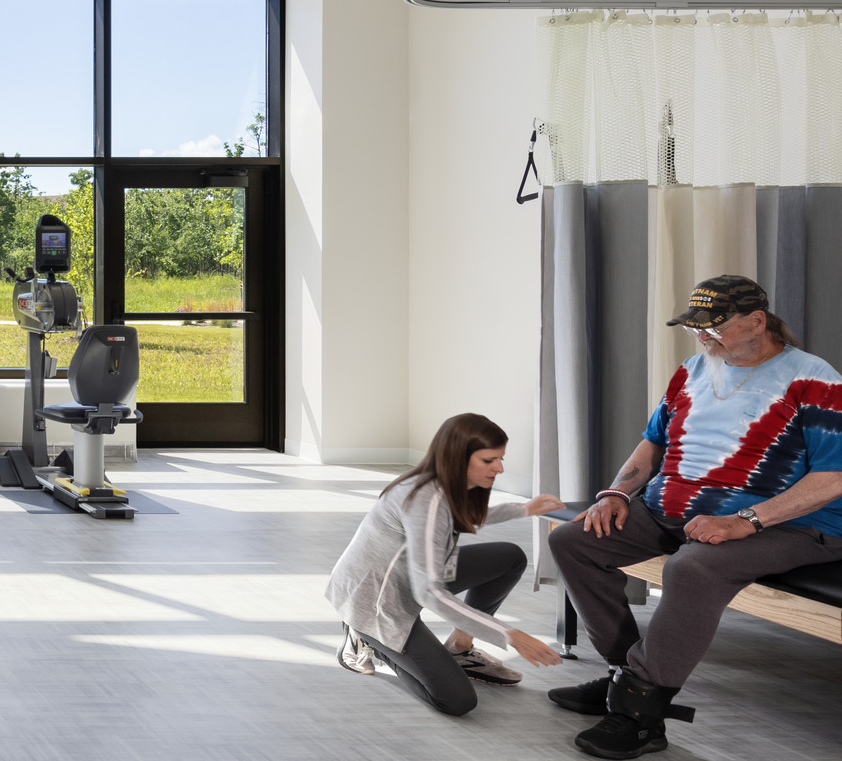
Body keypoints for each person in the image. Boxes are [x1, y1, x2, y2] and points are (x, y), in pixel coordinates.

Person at [546, 274, 842, 759]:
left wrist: (745, 520)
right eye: (695, 327)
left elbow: (833, 478)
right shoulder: (692, 370)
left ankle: (640, 718)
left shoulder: (815, 379)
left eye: (714, 326)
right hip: (673, 509)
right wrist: (616, 493)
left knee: (693, 568)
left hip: (789, 523)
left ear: (757, 321)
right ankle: (627, 678)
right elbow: (653, 442)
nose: (703, 336)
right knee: (574, 541)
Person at [326, 411, 564, 717]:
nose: (500, 468)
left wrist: (525, 509)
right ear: (458, 458)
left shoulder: (445, 483)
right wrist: (510, 635)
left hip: (411, 576)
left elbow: (461, 516)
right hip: (376, 602)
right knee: (457, 700)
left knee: (510, 558)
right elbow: (430, 592)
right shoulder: (425, 500)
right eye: (489, 460)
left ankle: (460, 648)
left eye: (500, 459)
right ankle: (364, 636)